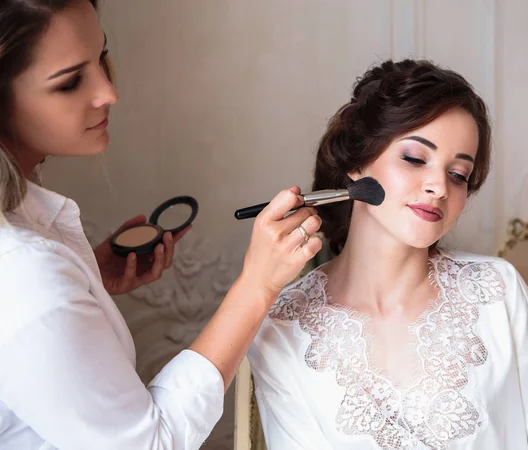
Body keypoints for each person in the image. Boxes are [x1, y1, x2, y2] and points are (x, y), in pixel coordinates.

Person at [0, 1, 322, 449]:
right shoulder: (25, 275)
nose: (108, 92)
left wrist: (85, 280)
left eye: (101, 57)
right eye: (71, 81)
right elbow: (152, 442)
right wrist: (257, 287)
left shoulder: (28, 253)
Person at [247, 59, 528, 449]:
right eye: (415, 158)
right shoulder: (281, 325)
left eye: (459, 174)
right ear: (357, 160)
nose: (438, 187)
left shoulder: (498, 292)